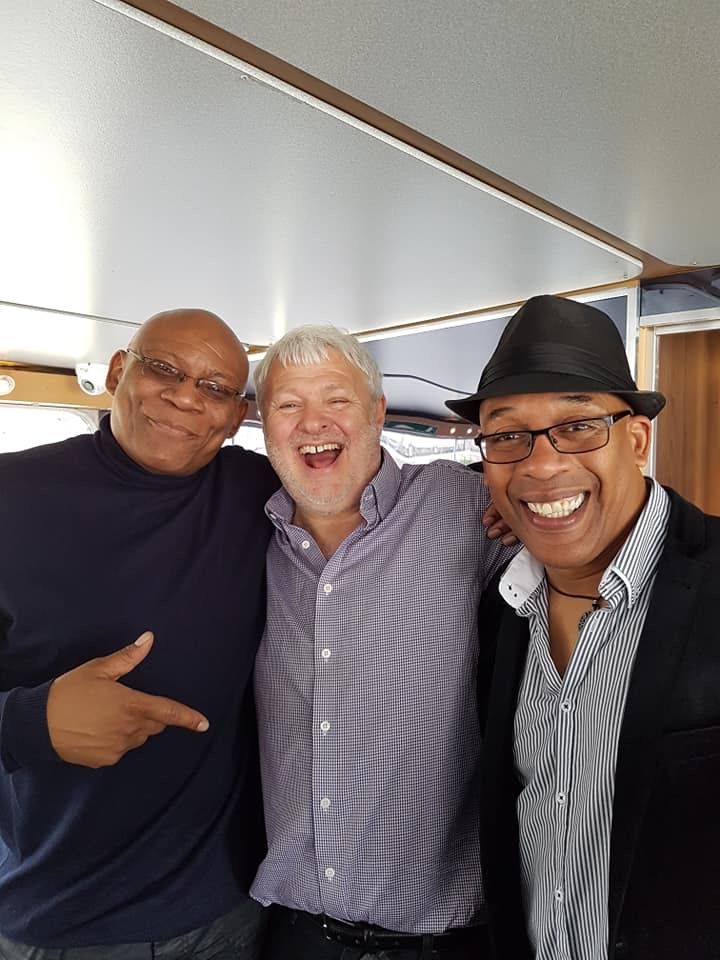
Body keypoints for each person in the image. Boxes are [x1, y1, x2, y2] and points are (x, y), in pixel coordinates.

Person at [446, 294, 720, 960]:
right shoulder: (501, 607)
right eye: (507, 436)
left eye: (577, 426)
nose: (541, 465)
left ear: (637, 439)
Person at [0, 309, 278, 958]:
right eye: (164, 369)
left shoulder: (259, 492)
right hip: (63, 923)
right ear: (118, 372)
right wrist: (30, 723)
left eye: (215, 388)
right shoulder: (10, 495)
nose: (186, 397)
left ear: (236, 417)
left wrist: (495, 509)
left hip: (230, 911)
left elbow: (375, 494)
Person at [249, 324, 518, 960]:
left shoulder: (469, 507)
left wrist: (524, 504)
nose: (313, 423)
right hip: (295, 933)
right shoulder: (247, 530)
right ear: (263, 424)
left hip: (443, 941)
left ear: (376, 412)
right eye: (288, 404)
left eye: (336, 399)